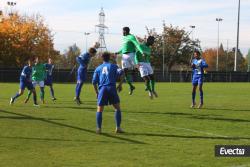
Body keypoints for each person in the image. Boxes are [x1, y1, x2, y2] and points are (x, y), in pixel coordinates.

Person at [92, 52, 125, 134]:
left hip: (102, 89)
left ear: (102, 58)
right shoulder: (113, 66)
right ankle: (118, 128)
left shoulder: (98, 68)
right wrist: (120, 85)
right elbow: (122, 73)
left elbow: (93, 82)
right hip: (111, 88)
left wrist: (96, 92)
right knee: (117, 108)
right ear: (109, 58)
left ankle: (99, 129)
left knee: (99, 109)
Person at [116, 27, 144, 95]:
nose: (122, 32)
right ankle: (131, 86)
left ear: (125, 31)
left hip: (131, 54)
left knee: (139, 68)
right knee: (125, 72)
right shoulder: (124, 38)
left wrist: (141, 51)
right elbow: (124, 48)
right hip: (124, 56)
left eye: (122, 31)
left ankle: (147, 82)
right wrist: (118, 52)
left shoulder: (131, 37)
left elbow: (137, 44)